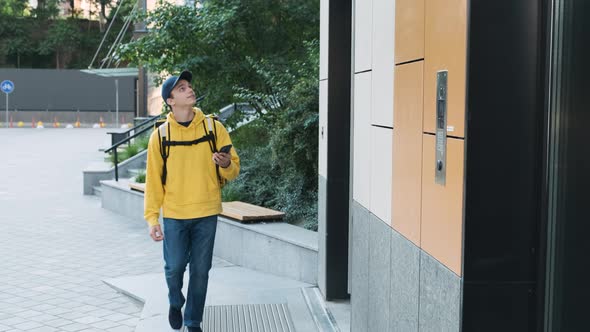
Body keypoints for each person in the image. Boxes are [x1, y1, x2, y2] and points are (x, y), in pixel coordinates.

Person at [143, 70, 240, 332]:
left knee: (200, 271)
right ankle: (176, 301)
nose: (189, 90)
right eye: (182, 88)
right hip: (175, 214)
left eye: (189, 86)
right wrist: (152, 218)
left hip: (206, 211)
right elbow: (153, 180)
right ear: (170, 101)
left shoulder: (213, 127)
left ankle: (193, 320)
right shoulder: (160, 137)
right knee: (174, 269)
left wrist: (226, 163)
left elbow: (234, 170)